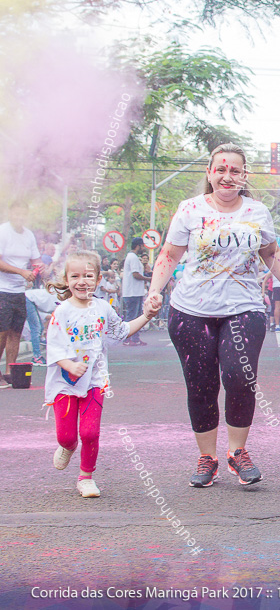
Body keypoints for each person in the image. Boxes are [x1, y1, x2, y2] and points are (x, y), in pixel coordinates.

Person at [145, 143, 280, 488]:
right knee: (201, 385)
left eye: (235, 170)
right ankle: (208, 458)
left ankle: (238, 452)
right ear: (209, 174)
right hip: (191, 311)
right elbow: (169, 254)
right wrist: (154, 291)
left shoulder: (258, 211)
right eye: (220, 169)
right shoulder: (189, 209)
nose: (227, 176)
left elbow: (271, 254)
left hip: (244, 308)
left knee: (239, 376)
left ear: (243, 176)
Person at [45, 251, 157, 497]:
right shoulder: (62, 312)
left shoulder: (103, 309)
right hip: (64, 384)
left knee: (90, 432)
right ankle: (68, 446)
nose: (81, 281)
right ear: (66, 279)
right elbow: (52, 346)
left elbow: (122, 330)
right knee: (66, 436)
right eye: (75, 276)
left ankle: (86, 476)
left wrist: (147, 315)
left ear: (98, 280)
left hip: (95, 381)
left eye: (88, 275)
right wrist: (68, 365)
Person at [0, 199, 43, 384]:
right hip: (2, 289)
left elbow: (36, 259)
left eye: (23, 214)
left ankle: (11, 371)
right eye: (16, 213)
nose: (19, 217)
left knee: (16, 332)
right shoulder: (3, 231)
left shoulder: (28, 235)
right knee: (2, 332)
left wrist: (39, 267)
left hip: (19, 292)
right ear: (10, 214)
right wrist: (21, 272)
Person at [120, 238, 150, 346]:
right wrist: (148, 279)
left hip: (136, 292)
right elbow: (135, 274)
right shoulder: (132, 257)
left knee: (136, 317)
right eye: (142, 246)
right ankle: (127, 339)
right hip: (132, 292)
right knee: (131, 317)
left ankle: (135, 338)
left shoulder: (134, 257)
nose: (143, 248)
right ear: (138, 246)